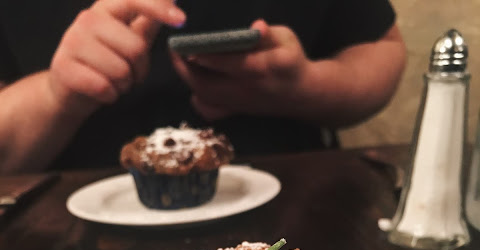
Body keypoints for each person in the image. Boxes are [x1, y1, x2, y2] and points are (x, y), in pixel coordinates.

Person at [0, 0, 406, 174]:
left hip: (304, 218)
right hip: (59, 247)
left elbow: (380, 46)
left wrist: (309, 89)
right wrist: (55, 95)